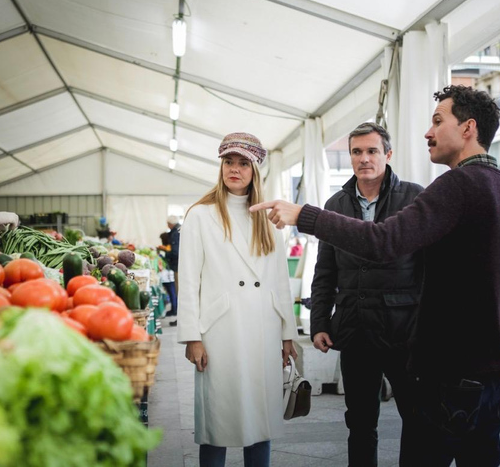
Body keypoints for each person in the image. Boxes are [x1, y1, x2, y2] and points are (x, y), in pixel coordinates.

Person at [252, 85, 500, 467]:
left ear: (469, 128)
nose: (428, 132)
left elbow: (382, 241)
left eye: (438, 121)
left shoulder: (455, 185)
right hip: (491, 380)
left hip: (447, 377)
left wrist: (304, 215)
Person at [177, 132, 298, 467]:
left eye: (243, 162)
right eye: (229, 161)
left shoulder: (269, 217)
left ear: (255, 169)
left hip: (263, 328)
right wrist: (191, 336)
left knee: (260, 421)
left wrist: (288, 333)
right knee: (217, 420)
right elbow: (188, 280)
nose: (235, 168)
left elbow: (279, 281)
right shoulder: (200, 215)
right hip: (220, 331)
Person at [311, 122, 424, 466]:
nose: (364, 159)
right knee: (360, 423)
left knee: (418, 419)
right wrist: (319, 322)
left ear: (388, 155)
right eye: (357, 152)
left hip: (404, 331)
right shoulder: (335, 203)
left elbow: (428, 266)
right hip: (356, 330)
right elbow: (325, 271)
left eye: (372, 151)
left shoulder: (415, 198)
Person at [158, 231, 178, 323]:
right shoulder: (169, 245)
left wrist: (165, 251)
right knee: (173, 291)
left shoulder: (169, 246)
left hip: (171, 271)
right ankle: (174, 309)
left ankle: (175, 309)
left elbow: (172, 253)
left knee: (173, 290)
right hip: (172, 271)